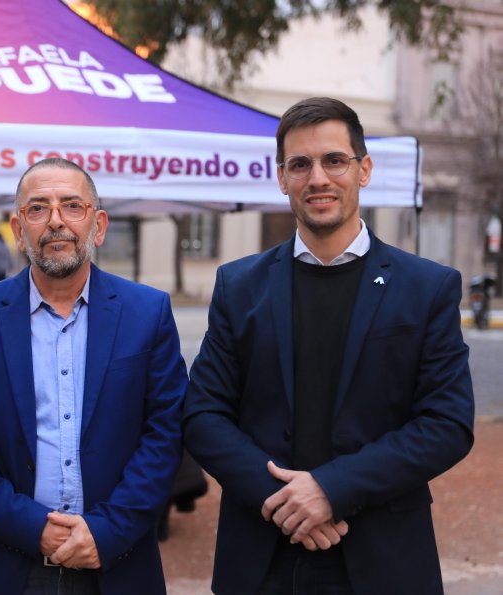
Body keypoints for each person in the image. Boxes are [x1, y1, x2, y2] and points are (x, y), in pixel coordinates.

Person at [183, 97, 474, 594]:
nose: (318, 178)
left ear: (363, 170)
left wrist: (331, 489)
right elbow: (202, 414)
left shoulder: (427, 287)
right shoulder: (240, 286)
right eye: (300, 164)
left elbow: (446, 424)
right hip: (261, 557)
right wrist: (286, 501)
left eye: (334, 160)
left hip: (384, 561)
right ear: (282, 178)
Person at [0, 158, 187, 594]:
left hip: (117, 561)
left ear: (99, 224)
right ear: (18, 230)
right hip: (8, 561)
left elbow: (165, 432)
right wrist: (31, 526)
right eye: (38, 209)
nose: (56, 221)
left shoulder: (148, 312)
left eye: (72, 206)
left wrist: (106, 530)